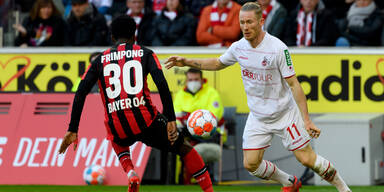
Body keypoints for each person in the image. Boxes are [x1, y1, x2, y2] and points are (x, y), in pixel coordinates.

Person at [165, 2, 351, 192]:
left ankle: (344, 189)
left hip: (284, 114)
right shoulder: (238, 47)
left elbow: (294, 84)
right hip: (258, 116)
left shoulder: (278, 48)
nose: (245, 27)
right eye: (242, 22)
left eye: (250, 22)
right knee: (251, 164)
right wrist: (186, 61)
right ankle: (289, 182)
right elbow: (217, 63)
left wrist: (307, 120)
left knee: (306, 159)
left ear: (261, 21)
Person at [58, 15, 214, 192]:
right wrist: (170, 118)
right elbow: (162, 84)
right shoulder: (145, 53)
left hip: (118, 124)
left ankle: (130, 171)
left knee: (115, 136)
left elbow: (81, 92)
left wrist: (73, 128)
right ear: (135, 35)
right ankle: (209, 190)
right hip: (147, 120)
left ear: (112, 37)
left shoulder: (100, 60)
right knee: (185, 149)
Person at [173, 68, 224, 183]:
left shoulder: (211, 93)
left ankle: (201, 175)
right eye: (190, 79)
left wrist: (193, 119)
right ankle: (180, 177)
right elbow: (175, 116)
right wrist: (185, 121)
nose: (193, 82)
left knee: (202, 136)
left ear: (202, 80)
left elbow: (215, 115)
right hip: (185, 130)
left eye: (196, 79)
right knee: (173, 137)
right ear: (186, 80)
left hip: (206, 132)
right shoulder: (180, 95)